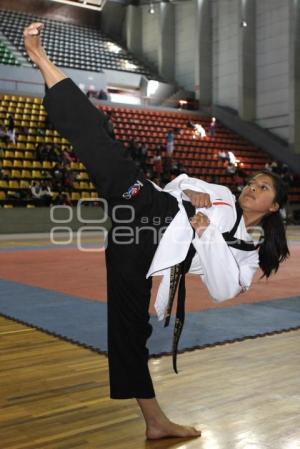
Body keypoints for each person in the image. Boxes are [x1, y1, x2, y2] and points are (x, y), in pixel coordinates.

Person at [23, 22, 290, 441]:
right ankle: (40, 58)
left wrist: (206, 235)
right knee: (101, 139)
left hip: (142, 252)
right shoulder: (221, 190)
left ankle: (155, 422)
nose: (252, 187)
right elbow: (180, 183)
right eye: (252, 181)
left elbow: (224, 289)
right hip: (151, 209)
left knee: (130, 332)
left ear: (273, 207)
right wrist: (193, 197)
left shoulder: (250, 252)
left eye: (262, 188)